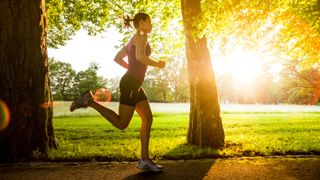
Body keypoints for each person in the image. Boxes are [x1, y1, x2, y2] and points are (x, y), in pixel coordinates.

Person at [69, 13, 166, 172]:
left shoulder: (132, 39)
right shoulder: (142, 35)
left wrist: (132, 69)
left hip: (134, 83)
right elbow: (140, 57)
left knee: (147, 118)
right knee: (122, 123)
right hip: (131, 84)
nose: (152, 25)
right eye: (150, 22)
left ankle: (145, 160)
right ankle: (90, 101)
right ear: (141, 23)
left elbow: (118, 58)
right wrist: (158, 64)